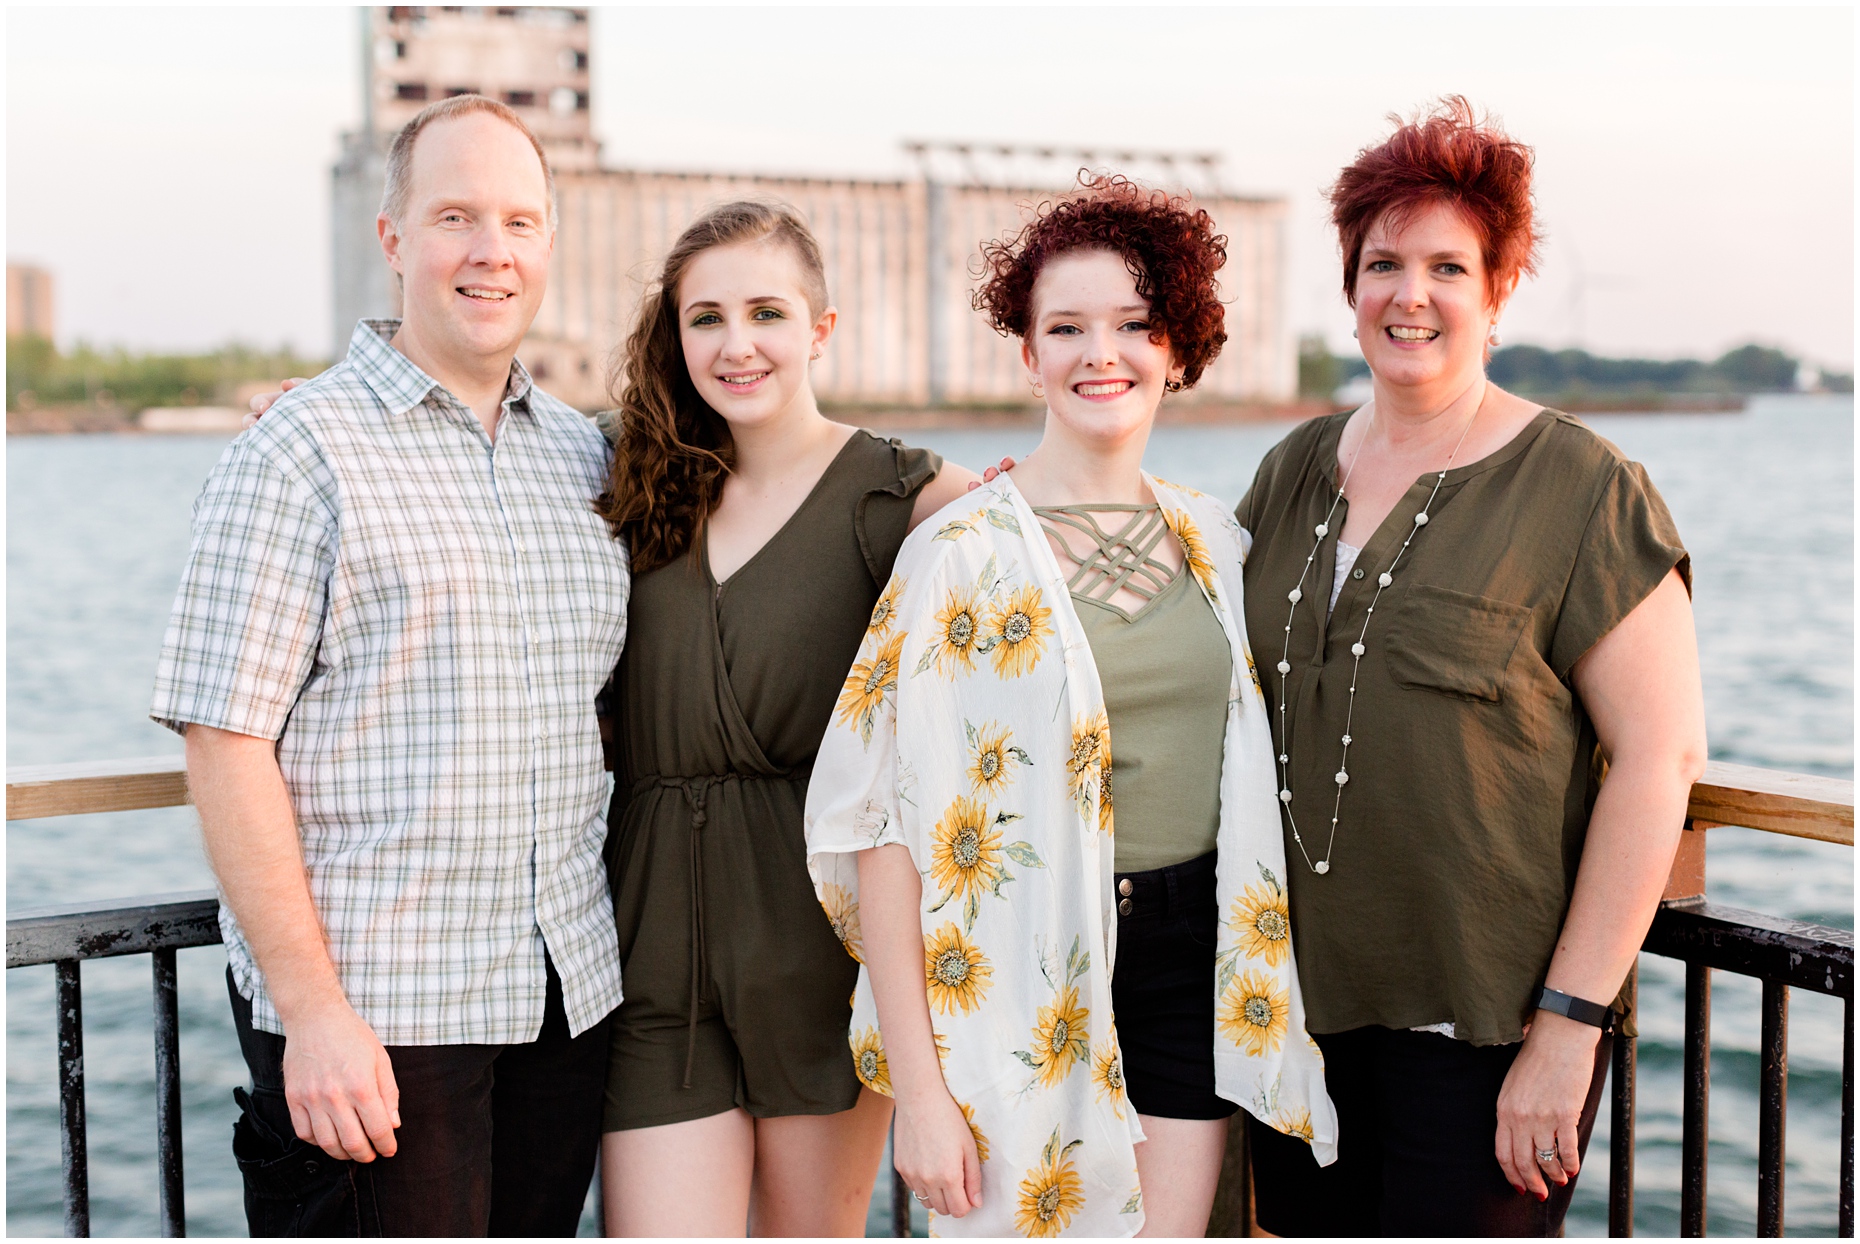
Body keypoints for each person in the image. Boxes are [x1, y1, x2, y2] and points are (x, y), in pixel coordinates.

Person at [804, 176, 1335, 1239]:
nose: (1104, 353)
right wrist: (921, 1089)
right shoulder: (957, 556)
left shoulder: (1216, 541)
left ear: (1177, 350)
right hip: (1014, 971)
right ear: (1029, 355)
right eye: (1068, 326)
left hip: (1191, 962)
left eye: (1136, 324)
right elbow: (880, 823)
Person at [151, 95, 628, 1236]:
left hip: (565, 999)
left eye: (519, 221)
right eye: (456, 215)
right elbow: (224, 739)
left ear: (548, 245)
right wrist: (312, 1011)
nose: (490, 252)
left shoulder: (588, 455)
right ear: (395, 239)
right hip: (377, 1019)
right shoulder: (296, 450)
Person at [1234, 98, 1707, 1235]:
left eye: (1449, 265)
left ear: (1498, 290)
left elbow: (1659, 758)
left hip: (1485, 1038)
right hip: (1292, 1024)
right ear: (1350, 286)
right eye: (1382, 262)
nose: (1411, 294)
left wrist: (1568, 1027)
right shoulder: (1294, 468)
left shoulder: (1585, 486)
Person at [591, 200, 979, 1236]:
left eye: (767, 310)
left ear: (821, 327)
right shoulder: (629, 472)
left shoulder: (904, 495)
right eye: (704, 316)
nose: (736, 343)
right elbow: (474, 454)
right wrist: (306, 410)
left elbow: (1044, 583)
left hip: (820, 936)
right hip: (649, 936)